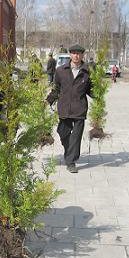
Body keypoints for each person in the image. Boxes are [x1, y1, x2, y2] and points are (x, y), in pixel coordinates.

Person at [46, 44, 92, 174]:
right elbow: (56, 89)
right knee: (62, 132)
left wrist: (98, 95)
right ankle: (69, 152)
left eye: (79, 53)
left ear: (82, 55)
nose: (76, 56)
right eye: (74, 53)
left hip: (79, 109)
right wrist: (48, 100)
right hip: (64, 108)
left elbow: (90, 90)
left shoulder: (87, 72)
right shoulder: (61, 70)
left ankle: (71, 162)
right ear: (70, 55)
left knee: (76, 137)